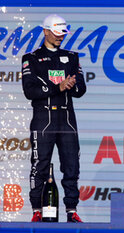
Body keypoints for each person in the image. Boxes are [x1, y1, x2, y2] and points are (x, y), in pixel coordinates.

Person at [21, 14, 86, 223]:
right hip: (43, 118)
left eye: (62, 34)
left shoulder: (72, 56)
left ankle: (71, 211)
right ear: (46, 31)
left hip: (66, 117)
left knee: (71, 166)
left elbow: (80, 89)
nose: (60, 38)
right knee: (39, 165)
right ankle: (36, 211)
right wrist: (57, 86)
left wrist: (71, 85)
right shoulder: (31, 58)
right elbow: (29, 90)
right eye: (57, 33)